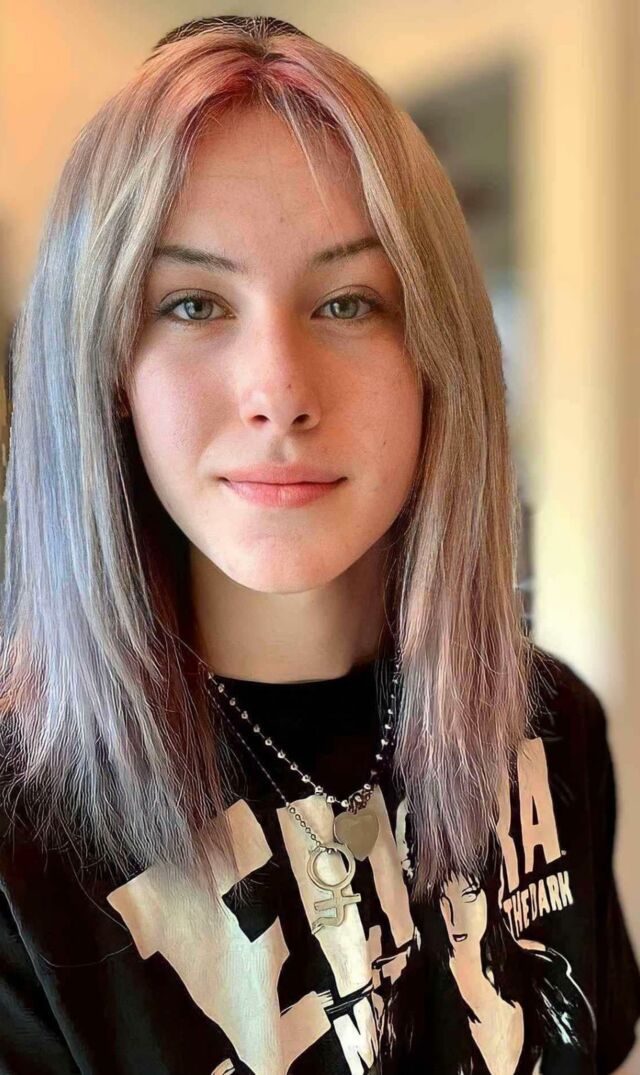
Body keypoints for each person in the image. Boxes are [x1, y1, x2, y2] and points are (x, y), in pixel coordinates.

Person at [0, 14, 638, 1075]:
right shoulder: (23, 835)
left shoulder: (552, 727)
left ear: (434, 352)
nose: (280, 392)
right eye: (193, 304)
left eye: (348, 301)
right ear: (107, 368)